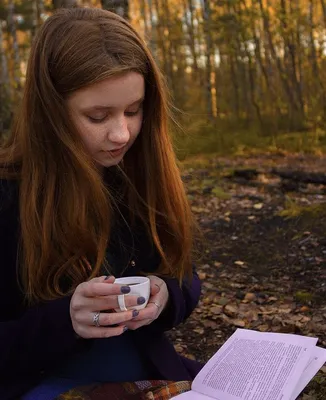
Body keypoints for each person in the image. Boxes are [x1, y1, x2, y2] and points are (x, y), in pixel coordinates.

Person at [0, 6, 202, 400]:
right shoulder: (8, 197)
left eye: (134, 110)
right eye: (97, 116)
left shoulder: (136, 176)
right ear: (50, 112)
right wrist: (66, 320)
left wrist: (164, 293)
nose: (122, 134)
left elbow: (185, 274)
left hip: (149, 375)